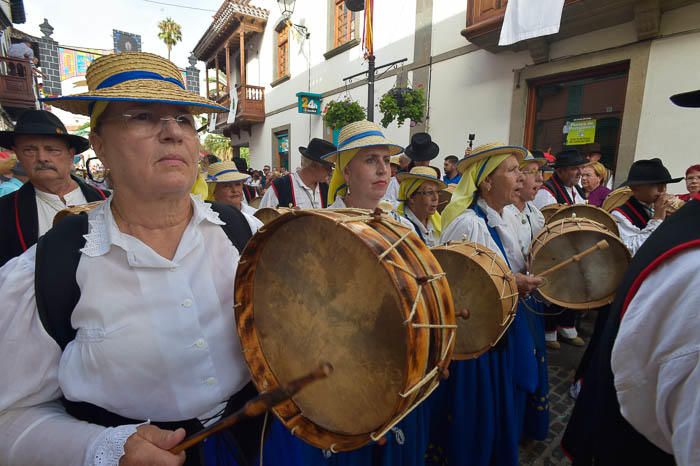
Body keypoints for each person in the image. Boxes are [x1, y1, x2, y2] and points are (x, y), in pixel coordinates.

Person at [0, 51, 264, 466]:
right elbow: (10, 419)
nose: (172, 133)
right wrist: (103, 448)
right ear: (100, 145)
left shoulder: (244, 234)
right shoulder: (51, 268)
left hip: (254, 447)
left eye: (184, 119)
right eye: (142, 116)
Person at [437, 142, 543, 466]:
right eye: (512, 171)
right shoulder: (469, 224)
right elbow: (452, 285)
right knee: (476, 411)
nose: (521, 179)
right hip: (476, 343)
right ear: (486, 183)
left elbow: (496, 273)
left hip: (497, 333)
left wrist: (516, 279)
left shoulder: (501, 218)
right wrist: (514, 283)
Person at [0, 110, 108, 267]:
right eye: (29, 150)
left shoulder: (107, 199)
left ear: (71, 154)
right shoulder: (5, 212)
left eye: (52, 150)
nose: (42, 158)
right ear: (18, 155)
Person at [533, 149, 587, 349]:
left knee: (571, 289)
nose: (580, 172)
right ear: (562, 171)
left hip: (573, 246)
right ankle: (549, 332)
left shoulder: (576, 190)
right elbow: (544, 223)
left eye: (581, 168)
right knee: (554, 289)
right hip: (555, 249)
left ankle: (567, 327)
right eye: (575, 168)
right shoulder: (546, 193)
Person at [611, 158, 683, 256]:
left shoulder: (661, 207)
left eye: (664, 185)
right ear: (635, 188)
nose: (663, 190)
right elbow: (631, 251)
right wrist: (657, 219)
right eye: (656, 185)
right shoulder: (619, 215)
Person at [259, 138, 335, 209]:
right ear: (314, 165)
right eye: (328, 167)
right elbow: (263, 218)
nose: (330, 171)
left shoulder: (325, 188)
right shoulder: (280, 187)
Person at [396, 166, 445, 247]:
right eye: (429, 192)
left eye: (437, 192)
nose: (435, 198)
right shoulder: (400, 227)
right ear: (411, 196)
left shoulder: (437, 223)